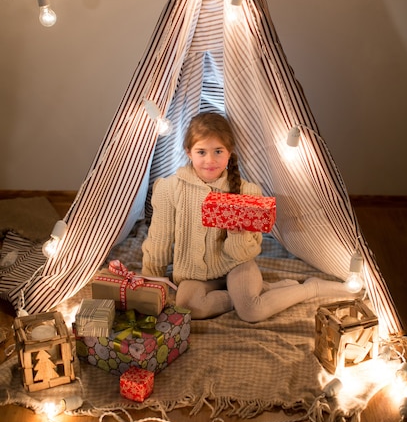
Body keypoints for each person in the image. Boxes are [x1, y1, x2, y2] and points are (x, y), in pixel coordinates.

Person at [141, 112, 356, 322]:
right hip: (195, 273)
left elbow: (247, 252)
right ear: (188, 152)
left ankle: (311, 288)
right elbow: (159, 239)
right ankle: (262, 291)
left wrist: (237, 235)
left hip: (237, 264)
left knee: (251, 311)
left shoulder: (247, 192)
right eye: (201, 152)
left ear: (229, 152)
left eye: (218, 151)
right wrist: (151, 280)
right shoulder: (170, 188)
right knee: (187, 307)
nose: (210, 160)